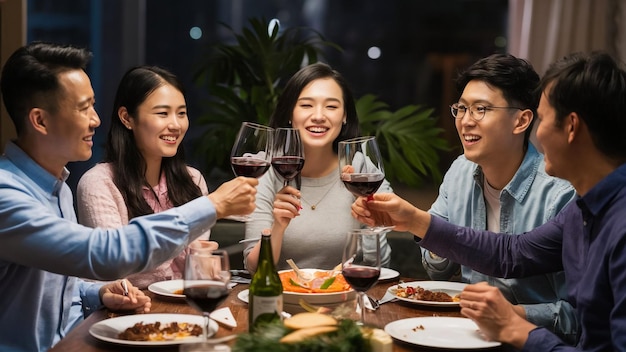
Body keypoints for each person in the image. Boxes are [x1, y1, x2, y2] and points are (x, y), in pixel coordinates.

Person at [352, 51, 626, 351]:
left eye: (544, 119)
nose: (540, 133)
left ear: (571, 127)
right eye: (462, 109)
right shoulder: (583, 210)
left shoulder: (605, 215)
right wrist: (414, 220)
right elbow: (512, 254)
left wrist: (515, 326)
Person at [0, 42, 257, 352]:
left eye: (93, 106)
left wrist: (99, 294)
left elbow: (60, 286)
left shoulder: (58, 187)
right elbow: (103, 254)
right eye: (84, 108)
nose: (95, 119)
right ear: (40, 120)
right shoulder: (7, 195)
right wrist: (212, 206)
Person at [420, 54, 578, 343]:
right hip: (464, 335)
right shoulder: (459, 172)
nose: (466, 121)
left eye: (481, 109)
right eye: (461, 109)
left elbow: (576, 317)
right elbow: (435, 268)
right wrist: (432, 239)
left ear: (522, 121)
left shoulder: (561, 195)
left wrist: (512, 316)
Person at [243, 62, 392, 272]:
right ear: (290, 113)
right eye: (306, 105)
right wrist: (278, 227)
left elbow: (379, 265)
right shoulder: (266, 168)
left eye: (331, 106)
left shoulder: (360, 169)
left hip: (344, 298)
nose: (319, 116)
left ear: (345, 115)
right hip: (281, 299)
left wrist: (369, 212)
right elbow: (254, 269)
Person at [76, 66, 216, 289]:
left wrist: (206, 262)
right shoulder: (99, 183)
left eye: (181, 113)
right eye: (162, 113)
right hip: (123, 313)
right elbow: (114, 265)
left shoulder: (193, 180)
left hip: (184, 309)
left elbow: (199, 269)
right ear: (127, 118)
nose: (176, 125)